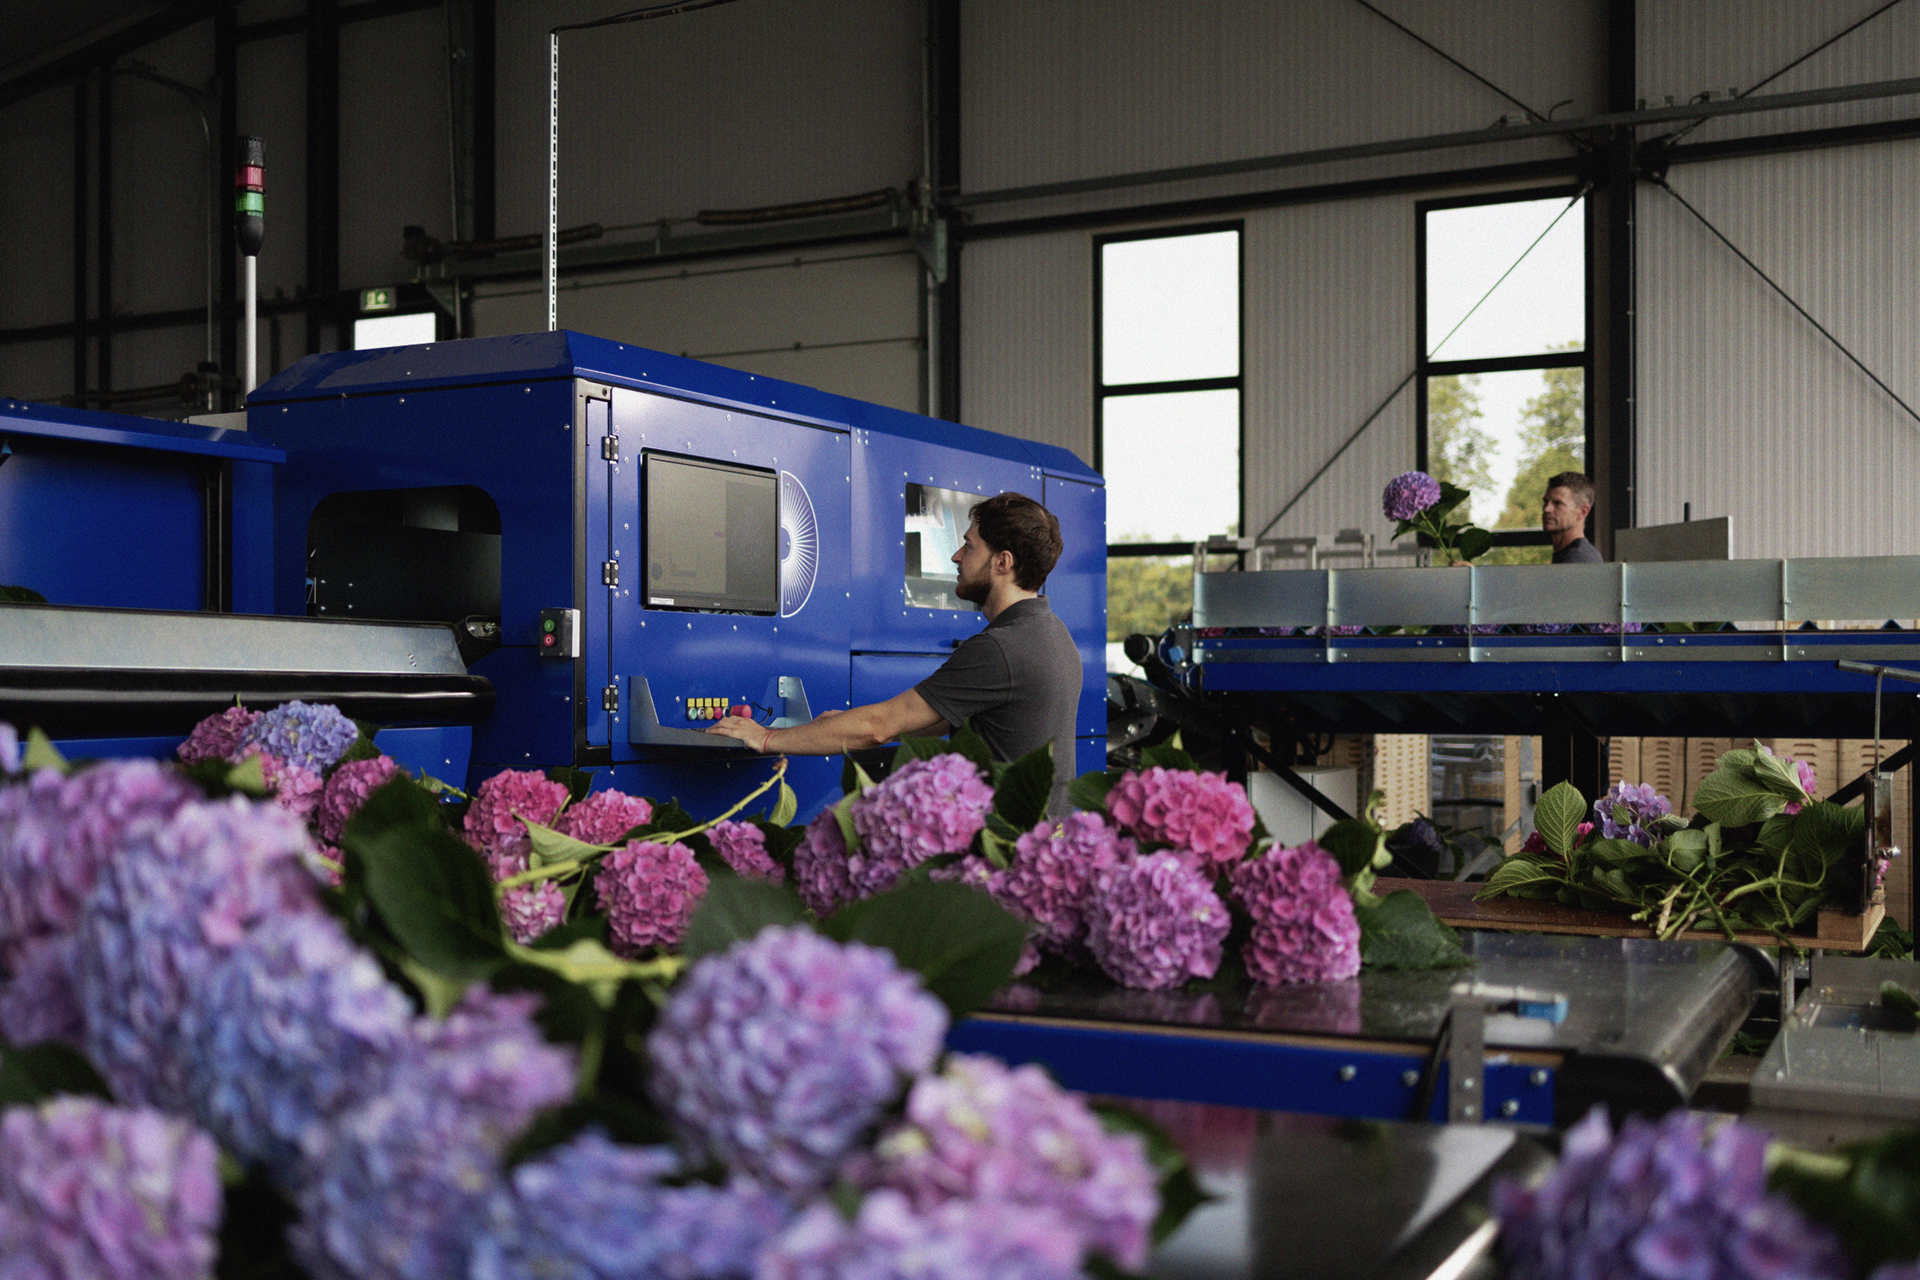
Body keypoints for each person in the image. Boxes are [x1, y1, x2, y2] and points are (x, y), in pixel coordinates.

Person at [705, 490, 1082, 804]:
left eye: (969, 546)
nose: (956, 556)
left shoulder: (1000, 648)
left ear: (1002, 562)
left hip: (1002, 860)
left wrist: (765, 737)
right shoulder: (1052, 634)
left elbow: (878, 727)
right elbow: (943, 718)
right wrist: (839, 726)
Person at [1544, 471, 1603, 564]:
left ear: (1582, 512)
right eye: (1546, 502)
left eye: (1557, 503)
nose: (1547, 509)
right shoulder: (1572, 555)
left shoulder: (1577, 559)